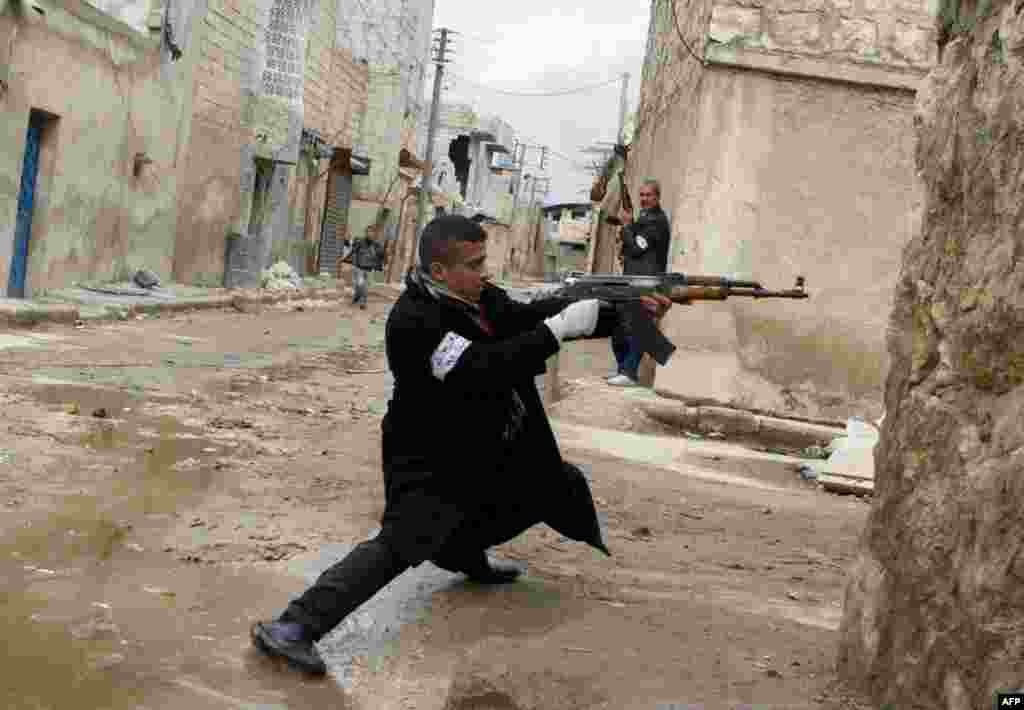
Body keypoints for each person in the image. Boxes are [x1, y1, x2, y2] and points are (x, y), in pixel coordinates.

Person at [250, 214, 672, 675]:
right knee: (404, 540)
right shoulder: (413, 320)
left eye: (483, 261)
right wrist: (557, 330)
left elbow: (529, 317)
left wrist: (620, 314)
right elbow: (481, 368)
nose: (484, 272)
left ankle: (460, 551)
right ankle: (294, 626)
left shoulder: (479, 297)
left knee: (550, 485)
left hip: (483, 441)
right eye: (473, 264)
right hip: (430, 454)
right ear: (438, 271)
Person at [608, 178, 672, 387]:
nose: (644, 199)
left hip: (647, 282)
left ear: (657, 197)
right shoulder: (645, 219)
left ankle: (629, 372)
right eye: (641, 195)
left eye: (648, 195)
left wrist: (627, 227)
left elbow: (636, 247)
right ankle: (623, 370)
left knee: (640, 327)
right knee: (620, 327)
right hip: (633, 281)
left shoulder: (657, 222)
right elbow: (630, 245)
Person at [345, 226, 387, 309]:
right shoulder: (360, 242)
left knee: (365, 287)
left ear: (374, 234)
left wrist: (384, 265)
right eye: (368, 232)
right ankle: (356, 297)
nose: (370, 234)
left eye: (371, 232)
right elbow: (353, 251)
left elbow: (382, 255)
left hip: (369, 269)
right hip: (359, 268)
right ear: (366, 233)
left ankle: (363, 303)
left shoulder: (376, 245)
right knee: (359, 284)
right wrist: (345, 259)